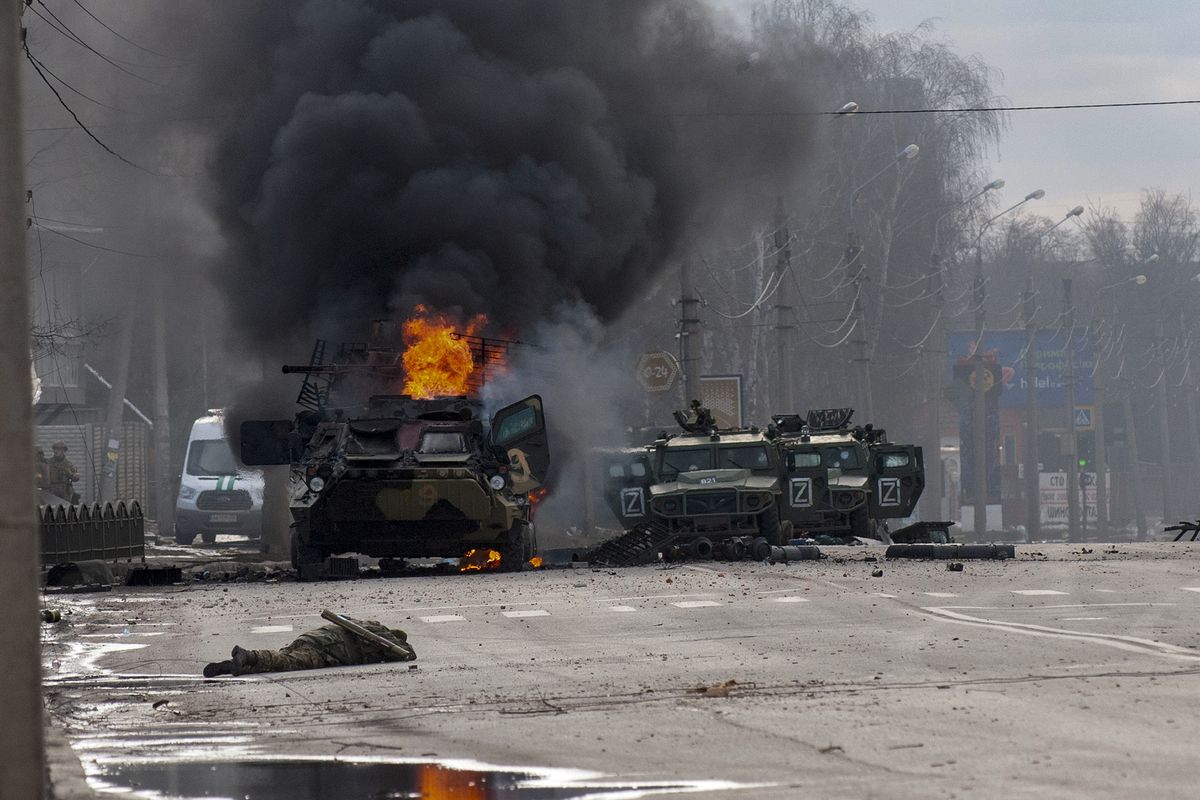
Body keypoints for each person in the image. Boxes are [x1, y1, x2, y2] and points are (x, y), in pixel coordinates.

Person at [203, 616, 416, 677]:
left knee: (282, 659)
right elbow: (409, 655)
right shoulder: (384, 639)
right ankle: (249, 656)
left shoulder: (368, 625)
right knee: (287, 662)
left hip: (313, 639)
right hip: (330, 650)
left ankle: (234, 666)